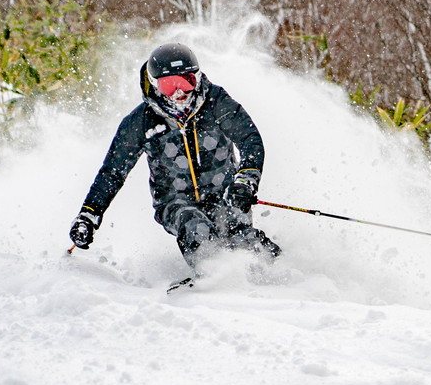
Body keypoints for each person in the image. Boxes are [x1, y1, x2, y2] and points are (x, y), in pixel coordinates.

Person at [68, 43, 280, 275]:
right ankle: (215, 278)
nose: (179, 93)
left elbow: (250, 139)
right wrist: (88, 216)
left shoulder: (216, 102)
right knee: (195, 227)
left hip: (226, 194)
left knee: (241, 237)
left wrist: (245, 182)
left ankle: (282, 272)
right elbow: (113, 172)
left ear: (196, 78)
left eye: (185, 82)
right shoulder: (141, 122)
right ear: (155, 85)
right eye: (169, 85)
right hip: (175, 201)